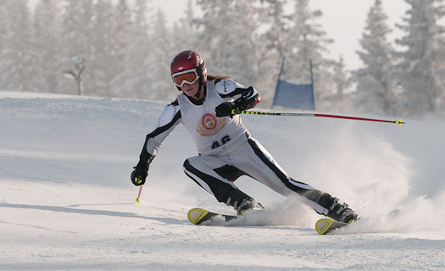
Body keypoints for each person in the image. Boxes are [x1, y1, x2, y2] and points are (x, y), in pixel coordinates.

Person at [131, 50, 359, 223]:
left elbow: (253, 95)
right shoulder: (176, 108)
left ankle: (337, 209)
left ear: (201, 73)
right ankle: (245, 204)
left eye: (189, 77)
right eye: (179, 81)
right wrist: (142, 166)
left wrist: (234, 107)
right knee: (191, 165)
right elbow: (154, 139)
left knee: (285, 185)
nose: (186, 85)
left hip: (244, 149)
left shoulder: (220, 87)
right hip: (216, 160)